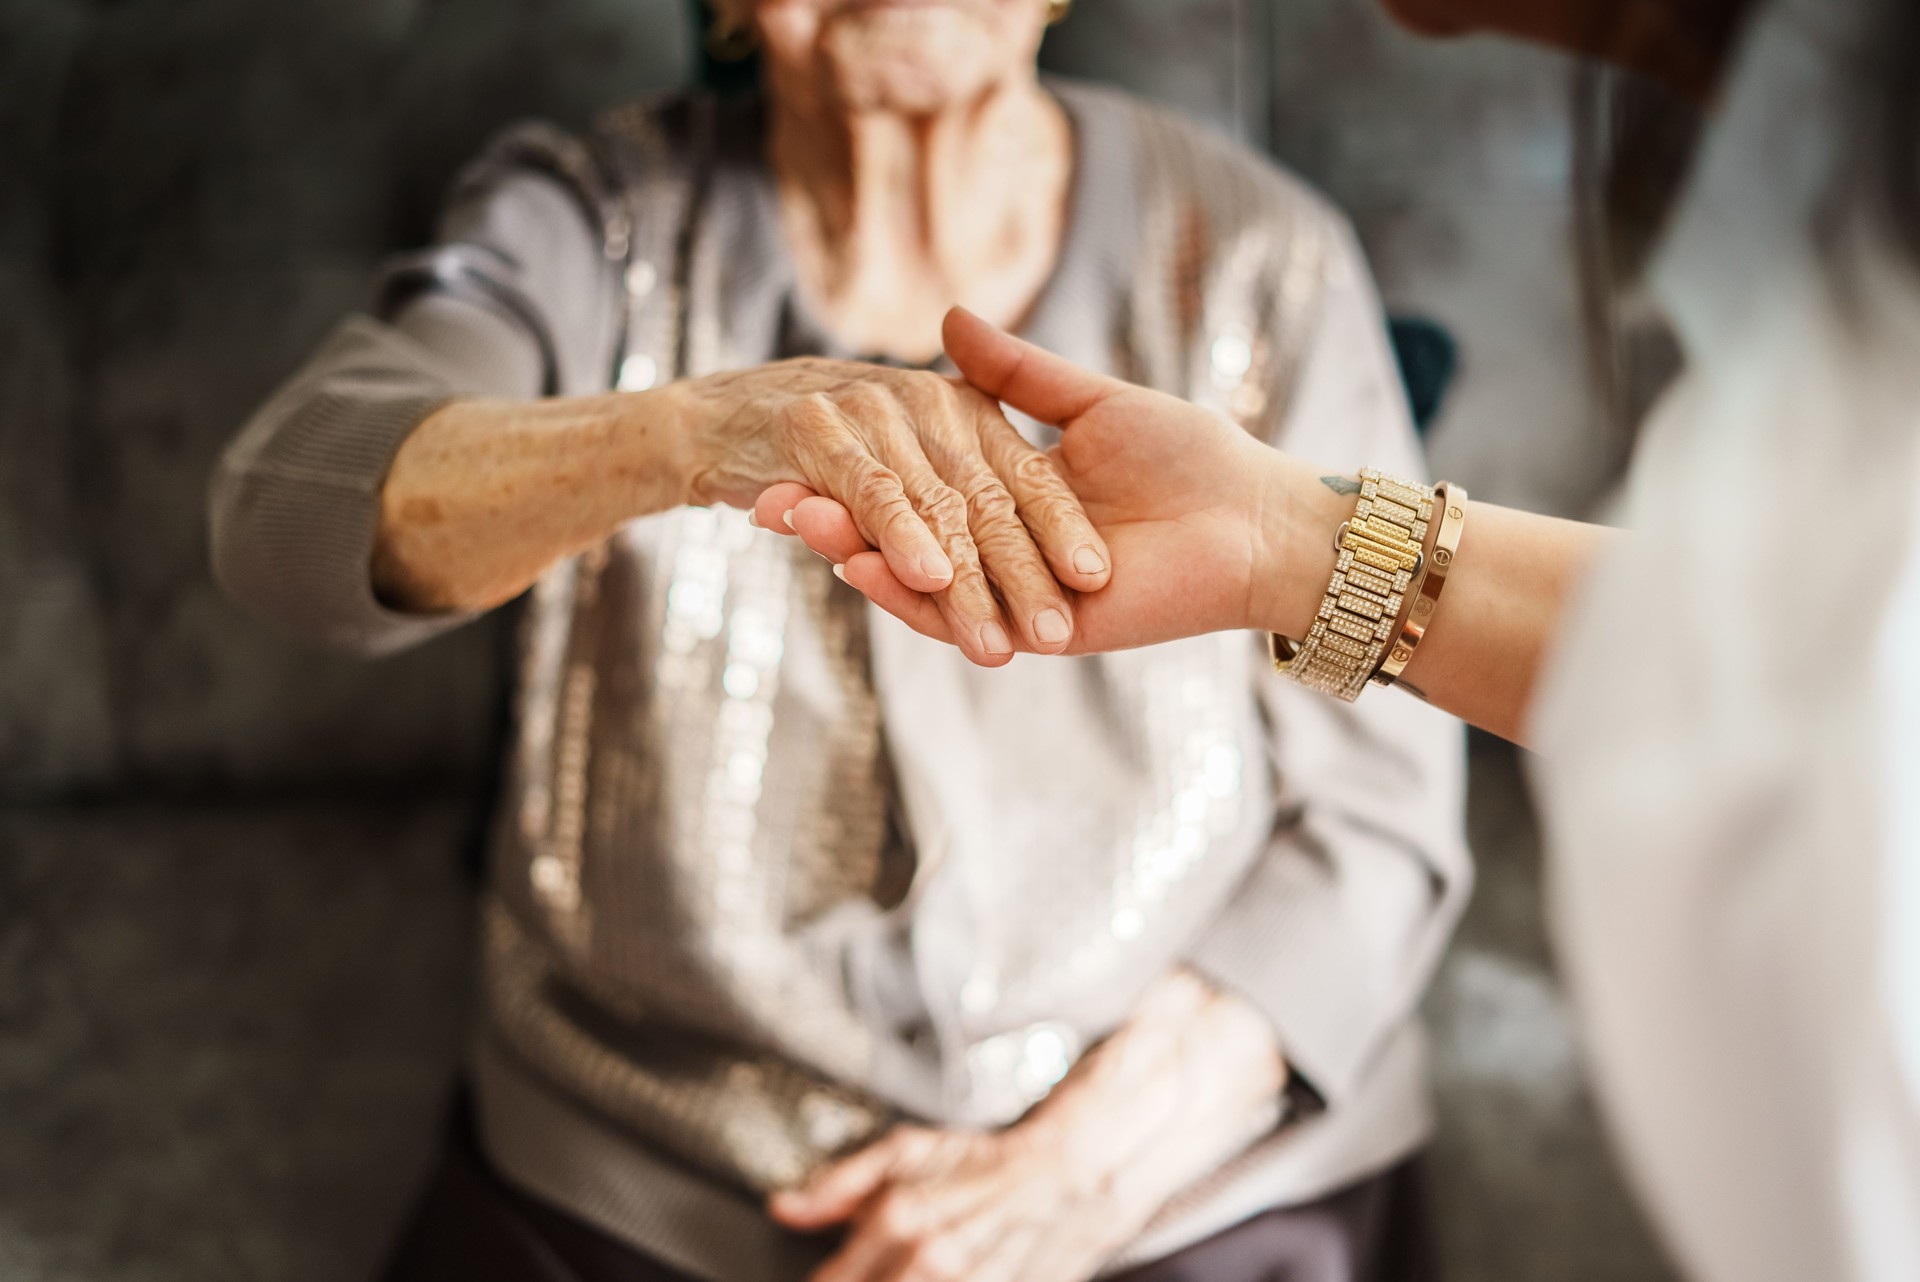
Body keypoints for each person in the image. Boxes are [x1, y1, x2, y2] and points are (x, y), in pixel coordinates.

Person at [207, 1, 1470, 1279]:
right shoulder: (593, 223)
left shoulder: (1261, 252)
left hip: (1183, 1174)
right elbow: (286, 525)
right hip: (636, 1182)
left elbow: (1380, 819)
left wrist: (1078, 1171)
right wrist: (682, 433)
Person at [762, 1, 1920, 1279]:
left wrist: (1086, 1163)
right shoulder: (1807, 280)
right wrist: (1285, 542)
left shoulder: (1260, 248)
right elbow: (1774, 642)